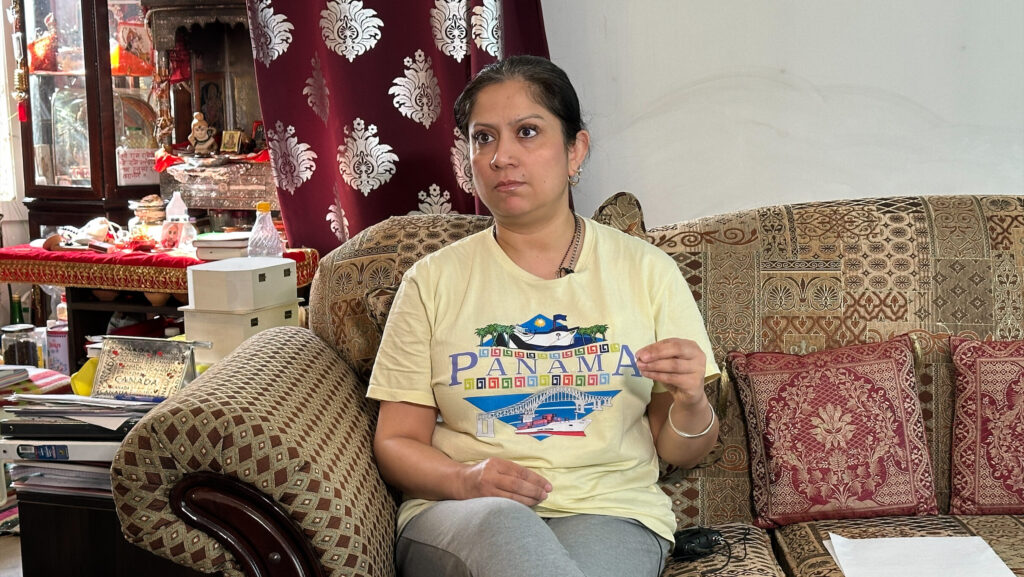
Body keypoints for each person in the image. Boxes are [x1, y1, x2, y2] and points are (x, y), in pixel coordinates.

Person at [367, 55, 720, 577]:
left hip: (610, 512)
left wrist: (691, 401)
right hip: (464, 511)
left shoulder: (647, 271)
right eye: (483, 138)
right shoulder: (432, 282)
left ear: (575, 150)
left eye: (527, 132)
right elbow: (397, 442)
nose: (501, 157)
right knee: (503, 526)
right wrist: (467, 479)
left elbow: (681, 450)